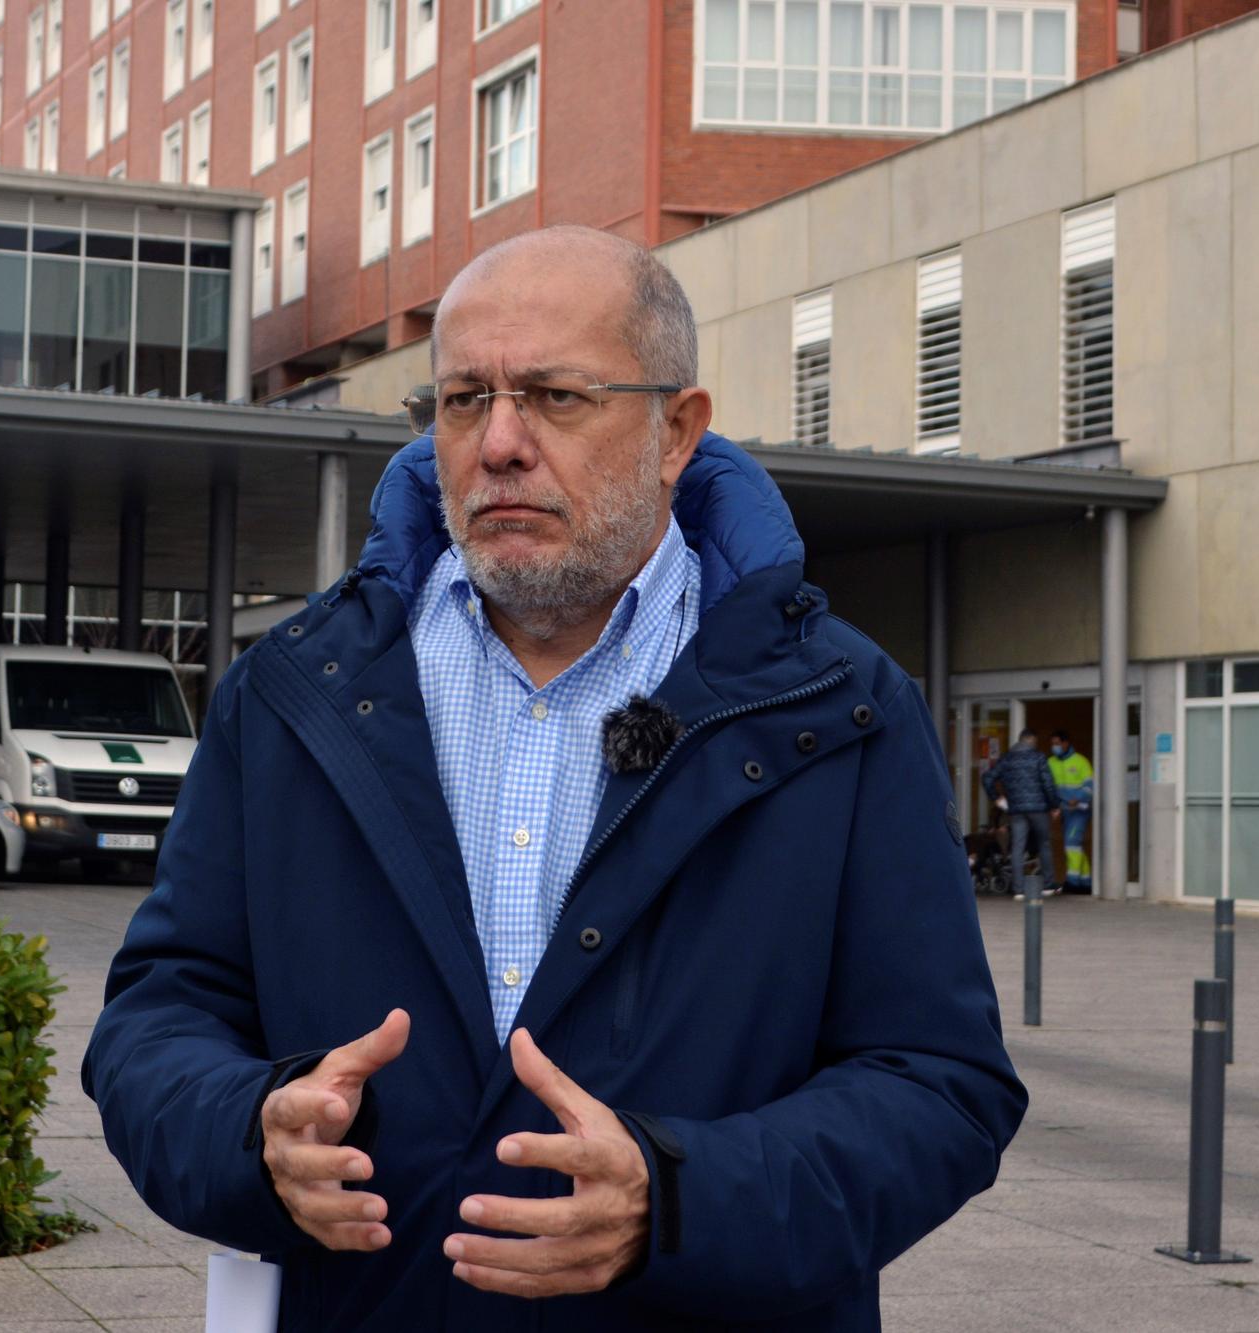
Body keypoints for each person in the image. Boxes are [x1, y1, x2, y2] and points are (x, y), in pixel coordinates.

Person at [83, 226, 1026, 1331]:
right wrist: (249, 1134)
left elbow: (938, 1086)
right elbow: (157, 1019)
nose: (499, 444)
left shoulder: (838, 710)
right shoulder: (291, 696)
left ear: (676, 430)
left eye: (555, 397)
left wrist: (676, 1198)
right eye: (462, 400)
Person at [982, 730, 1061, 897]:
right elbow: (1048, 783)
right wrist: (1054, 805)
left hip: (1016, 809)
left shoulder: (1006, 759)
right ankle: (1048, 886)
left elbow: (987, 778)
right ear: (1031, 740)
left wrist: (996, 798)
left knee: (1017, 847)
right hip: (1039, 809)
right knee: (1044, 844)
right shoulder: (1038, 757)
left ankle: (1018, 890)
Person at [1047, 729, 1095, 895]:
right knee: (1074, 845)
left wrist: (1079, 798)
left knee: (1071, 844)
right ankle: (1086, 882)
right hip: (1064, 811)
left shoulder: (1081, 762)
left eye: (1057, 743)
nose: (1055, 747)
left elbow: (1090, 788)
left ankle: (1073, 882)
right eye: (1053, 744)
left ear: (1066, 743)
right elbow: (1049, 789)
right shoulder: (1050, 763)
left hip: (1079, 811)